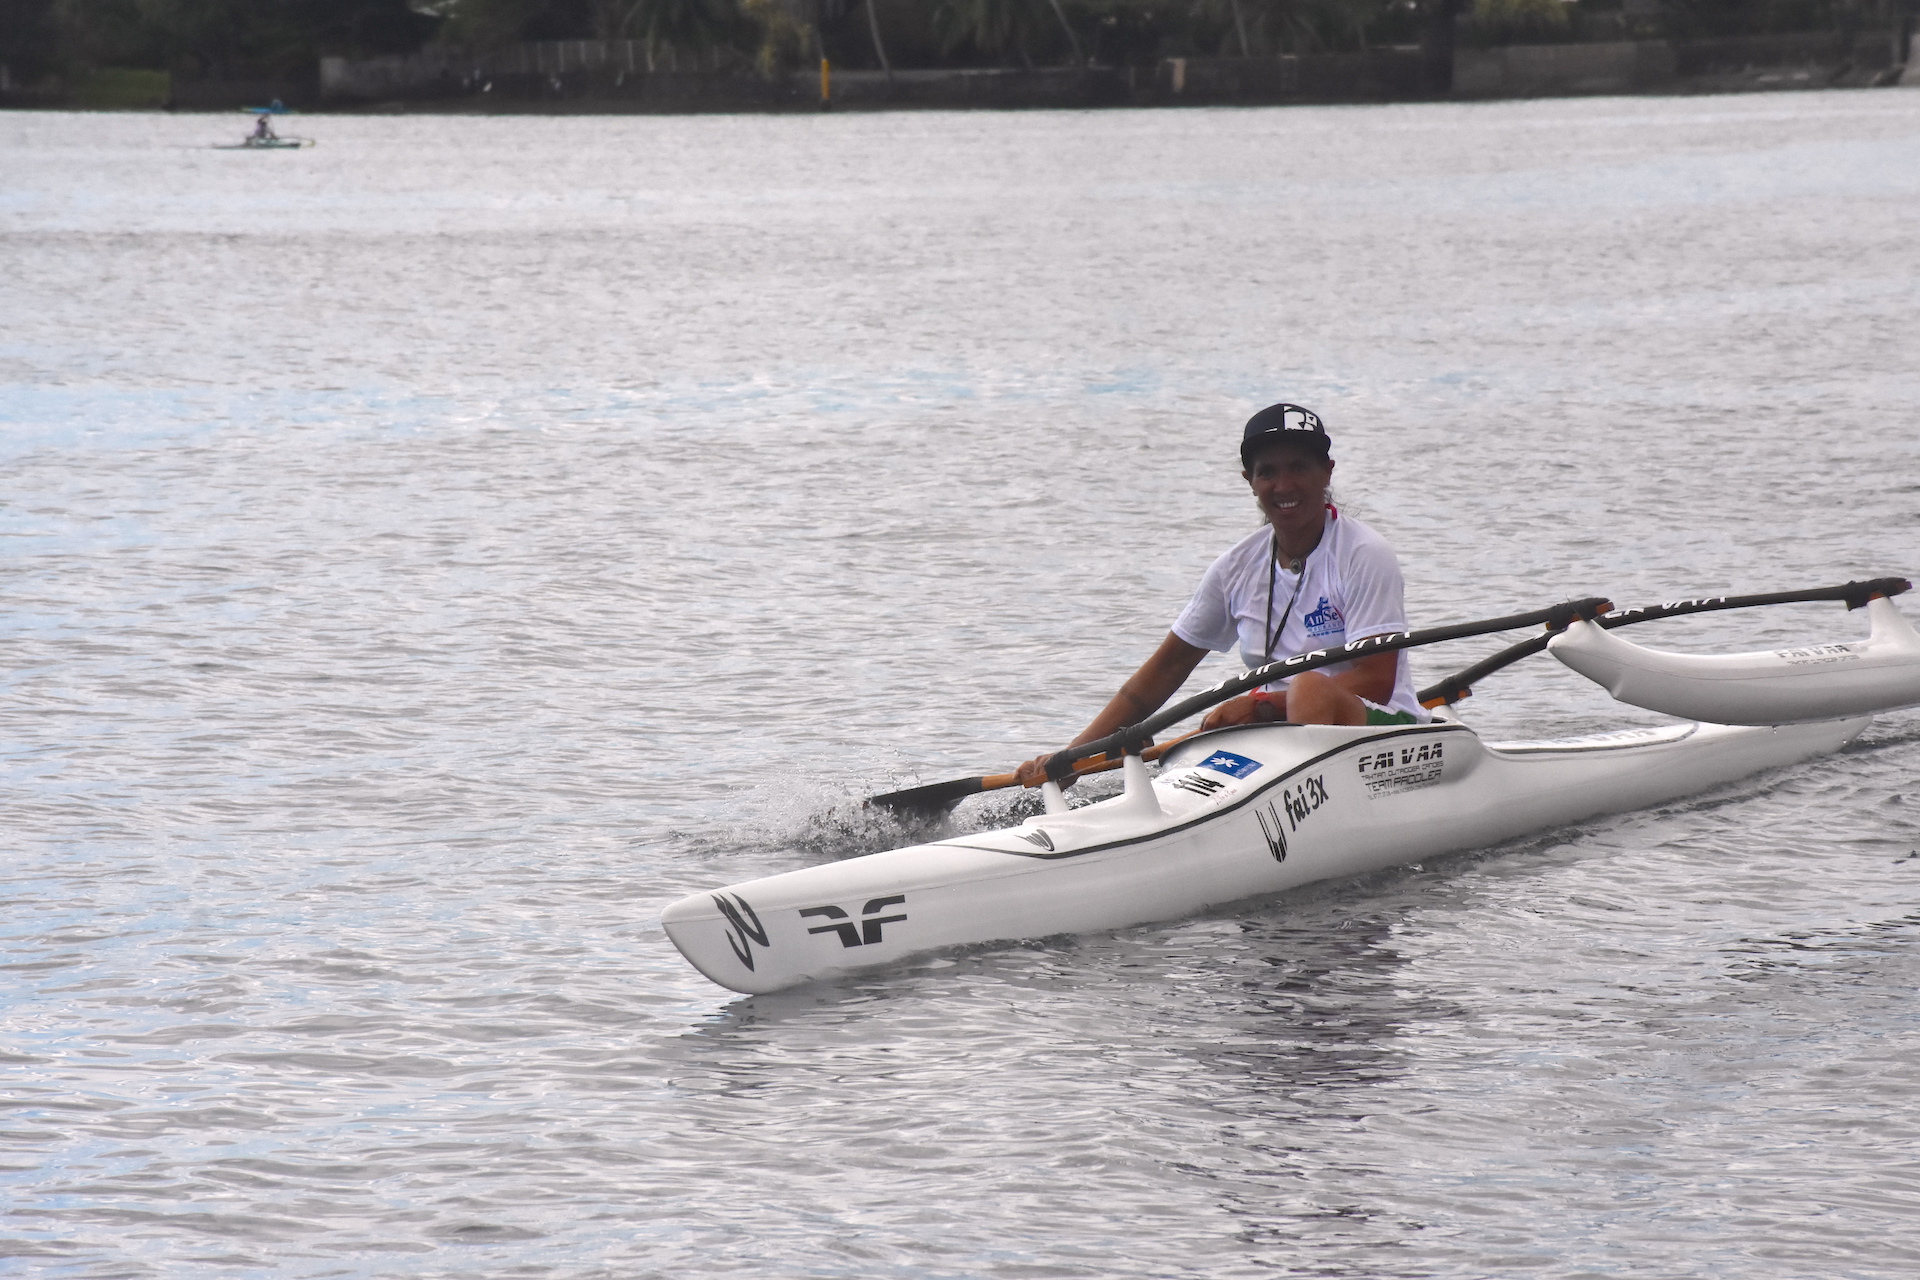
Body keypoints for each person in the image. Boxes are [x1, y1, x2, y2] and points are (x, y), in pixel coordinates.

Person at [1014, 403, 1427, 788]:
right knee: (1267, 705)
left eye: (1299, 467)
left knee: (1309, 688)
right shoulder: (1235, 568)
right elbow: (1159, 677)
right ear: (1250, 482)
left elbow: (1376, 680)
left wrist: (1262, 706)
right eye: (1267, 472)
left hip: (1384, 733)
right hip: (1279, 736)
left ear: (1327, 472)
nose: (1284, 485)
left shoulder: (1364, 554)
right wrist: (1071, 759)